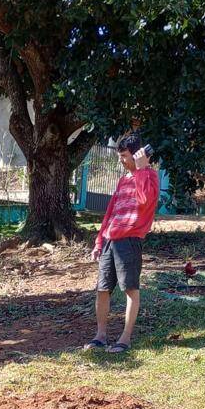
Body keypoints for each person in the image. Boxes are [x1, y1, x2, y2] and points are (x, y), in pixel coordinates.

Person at [84, 133, 160, 354]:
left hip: (130, 240)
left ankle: (125, 339)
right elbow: (111, 212)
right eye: (120, 156)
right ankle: (100, 336)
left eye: (125, 156)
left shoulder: (150, 176)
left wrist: (142, 169)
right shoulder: (123, 179)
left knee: (130, 289)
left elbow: (145, 200)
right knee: (102, 289)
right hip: (110, 240)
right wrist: (99, 241)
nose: (121, 160)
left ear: (136, 155)